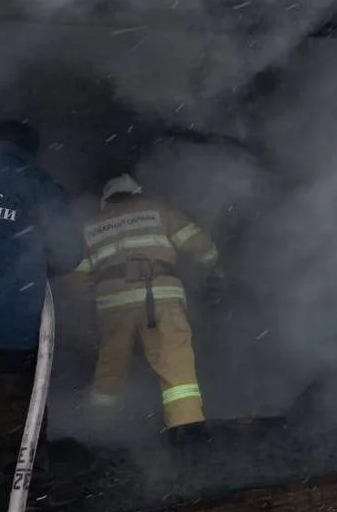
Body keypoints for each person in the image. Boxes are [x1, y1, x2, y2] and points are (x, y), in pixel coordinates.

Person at [71, 173, 223, 437]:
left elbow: (75, 278)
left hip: (112, 304)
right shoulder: (158, 210)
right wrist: (212, 265)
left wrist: (93, 299)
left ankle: (99, 431)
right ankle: (186, 430)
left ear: (106, 200)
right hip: (159, 297)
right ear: (137, 192)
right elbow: (199, 245)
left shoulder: (91, 226)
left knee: (110, 367)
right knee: (174, 365)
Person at [0, 119, 83, 500]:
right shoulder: (35, 181)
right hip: (10, 317)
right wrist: (38, 265)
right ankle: (27, 489)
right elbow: (69, 251)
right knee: (16, 400)